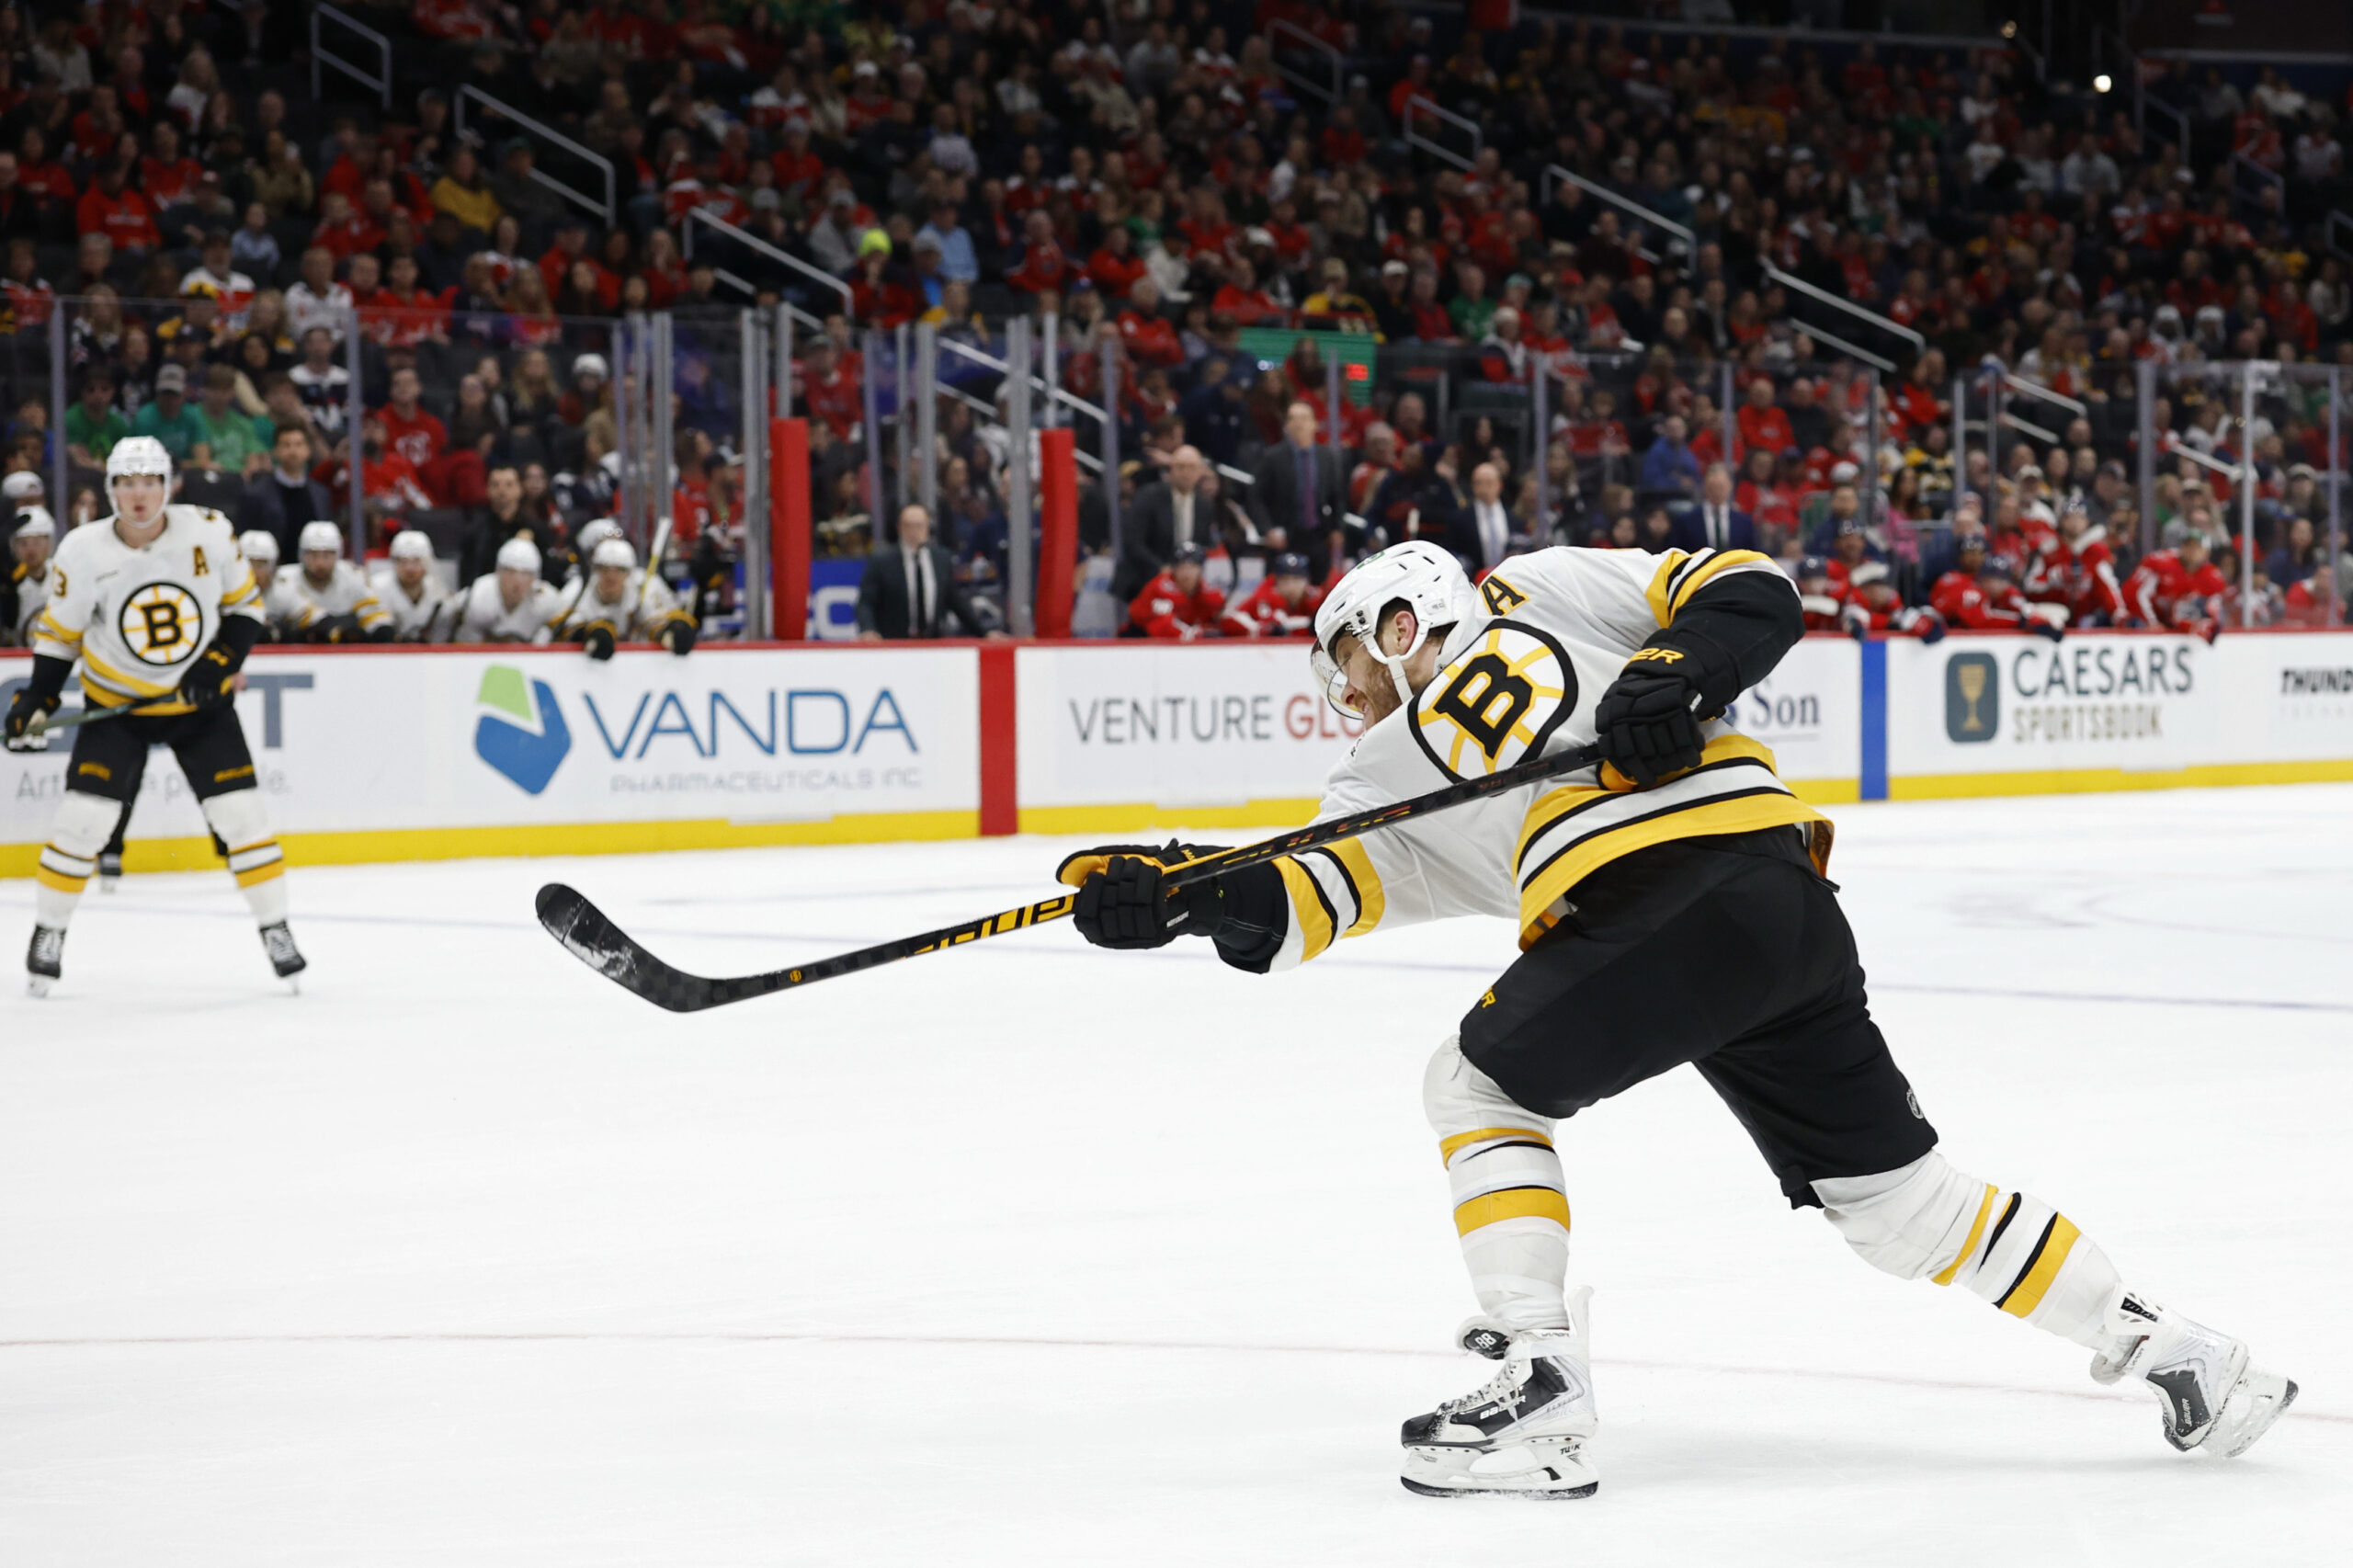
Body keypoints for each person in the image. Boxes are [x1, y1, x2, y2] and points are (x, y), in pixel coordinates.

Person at [1054, 539, 2294, 1497]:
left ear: (1400, 617)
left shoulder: (1531, 588)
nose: (1346, 695)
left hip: (1672, 896)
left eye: (1352, 661)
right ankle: (2185, 1354)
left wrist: (1676, 668)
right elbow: (1298, 896)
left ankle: (1541, 1378)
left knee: (1476, 1087)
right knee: (1898, 1206)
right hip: (1774, 908)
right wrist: (1174, 893)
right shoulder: (1381, 775)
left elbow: (1745, 591)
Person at [4, 437, 306, 992]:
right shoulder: (81, 549)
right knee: (82, 822)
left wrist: (215, 665)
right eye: (125, 483)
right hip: (116, 705)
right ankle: (49, 932)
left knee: (242, 818)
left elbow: (245, 607)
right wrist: (37, 697)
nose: (138, 496)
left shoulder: (209, 530)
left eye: (149, 483)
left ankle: (276, 928)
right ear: (110, 489)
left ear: (169, 486)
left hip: (199, 705)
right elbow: (60, 636)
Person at [1246, 402, 1349, 580]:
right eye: (1293, 419)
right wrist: (1268, 529)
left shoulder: (1326, 457)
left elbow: (1337, 498)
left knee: (1321, 593)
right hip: (1284, 536)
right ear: (1286, 426)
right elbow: (1255, 497)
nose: (1298, 423)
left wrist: (1337, 528)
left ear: (1315, 424)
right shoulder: (1272, 457)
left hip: (1317, 536)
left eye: (1304, 418)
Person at [856, 504, 987, 640]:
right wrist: (868, 629)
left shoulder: (941, 559)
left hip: (931, 643)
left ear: (927, 528)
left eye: (919, 526)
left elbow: (956, 601)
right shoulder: (882, 562)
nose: (914, 531)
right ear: (899, 529)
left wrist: (985, 633)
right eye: (908, 526)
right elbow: (866, 602)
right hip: (895, 644)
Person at [553, 537, 696, 659]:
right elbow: (562, 632)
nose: (611, 576)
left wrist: (672, 631)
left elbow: (658, 624)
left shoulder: (644, 586)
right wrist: (586, 634)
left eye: (620, 570)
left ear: (630, 573)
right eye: (604, 569)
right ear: (595, 570)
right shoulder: (578, 589)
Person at [267, 520, 392, 642]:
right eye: (313, 555)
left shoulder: (352, 575)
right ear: (301, 555)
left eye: (327, 555)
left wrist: (381, 632)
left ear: (338, 554)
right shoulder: (284, 578)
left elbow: (375, 615)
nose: (320, 563)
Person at [1117, 443, 1211, 601]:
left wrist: (1189, 571)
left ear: (1200, 472)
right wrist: (1162, 569)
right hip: (1143, 581)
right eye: (1181, 467)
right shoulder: (1148, 496)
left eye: (1192, 467)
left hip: (1184, 586)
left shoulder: (1205, 506)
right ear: (1171, 469)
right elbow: (1133, 542)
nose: (1186, 473)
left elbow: (1202, 545)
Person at [1929, 534, 2067, 638]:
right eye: (1995, 580)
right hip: (1939, 633)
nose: (2002, 585)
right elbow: (1981, 622)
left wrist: (2041, 619)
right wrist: (2021, 621)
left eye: (2004, 581)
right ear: (1983, 580)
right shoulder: (1969, 589)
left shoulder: (2005, 590)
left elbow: (2023, 607)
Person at [241, 426, 332, 560]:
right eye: (286, 445)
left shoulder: (321, 494)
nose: (293, 451)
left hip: (314, 571)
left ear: (308, 450)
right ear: (276, 451)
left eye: (298, 444)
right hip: (271, 570)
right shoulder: (256, 494)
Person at [451, 537, 566, 643]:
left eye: (526, 573)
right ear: (498, 572)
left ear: (535, 577)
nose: (518, 581)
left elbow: (571, 627)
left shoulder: (546, 598)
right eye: (511, 572)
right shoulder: (478, 594)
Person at [2124, 532, 2229, 642]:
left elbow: (2215, 611)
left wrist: (2204, 625)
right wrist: (2152, 622)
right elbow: (2135, 593)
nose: (2191, 550)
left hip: (2176, 621)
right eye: (2188, 545)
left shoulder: (2213, 577)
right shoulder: (2161, 562)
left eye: (2197, 547)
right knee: (2136, 623)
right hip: (2146, 618)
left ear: (2207, 553)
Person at [1127, 541, 1225, 639]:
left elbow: (1219, 624)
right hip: (1151, 644)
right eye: (1182, 568)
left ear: (1201, 570)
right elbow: (1139, 617)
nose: (1186, 574)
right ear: (1174, 569)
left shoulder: (1211, 595)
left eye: (1192, 568)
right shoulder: (1158, 588)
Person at [370, 528, 453, 642]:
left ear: (427, 562)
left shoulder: (439, 592)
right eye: (403, 561)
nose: (409, 568)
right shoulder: (377, 588)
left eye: (416, 561)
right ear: (393, 562)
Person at [1219, 551, 1323, 638]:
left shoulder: (1315, 597)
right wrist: (1308, 624)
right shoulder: (1268, 596)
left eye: (1297, 580)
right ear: (1276, 581)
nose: (1291, 586)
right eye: (1285, 580)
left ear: (1307, 581)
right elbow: (1275, 629)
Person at [1449, 460, 1519, 574]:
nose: (1484, 488)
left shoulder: (1514, 519)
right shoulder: (1459, 520)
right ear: (1473, 486)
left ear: (1499, 485)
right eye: (1479, 483)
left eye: (1489, 483)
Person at [1672, 462, 1756, 554]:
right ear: (1705, 486)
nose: (1716, 491)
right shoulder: (1686, 522)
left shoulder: (1744, 523)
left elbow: (1754, 554)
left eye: (1720, 486)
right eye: (1712, 486)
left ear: (1730, 486)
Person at [6, 504, 55, 642]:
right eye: (23, 543)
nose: (31, 550)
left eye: (37, 542)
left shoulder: (63, 575)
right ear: (13, 546)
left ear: (49, 543)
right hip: (17, 660)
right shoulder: (8, 583)